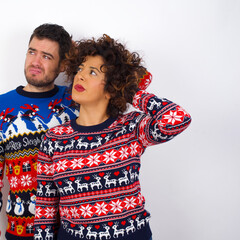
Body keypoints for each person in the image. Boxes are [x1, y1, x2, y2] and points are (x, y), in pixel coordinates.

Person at [34, 35, 191, 240]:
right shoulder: (53, 139)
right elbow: (45, 207)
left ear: (111, 88)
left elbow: (178, 119)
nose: (80, 76)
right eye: (80, 69)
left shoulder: (131, 127)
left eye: (92, 72)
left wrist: (131, 92)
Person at [0, 23, 78, 240]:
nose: (35, 62)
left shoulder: (77, 101)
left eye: (47, 56)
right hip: (22, 232)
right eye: (32, 52)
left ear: (63, 65)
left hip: (73, 231)